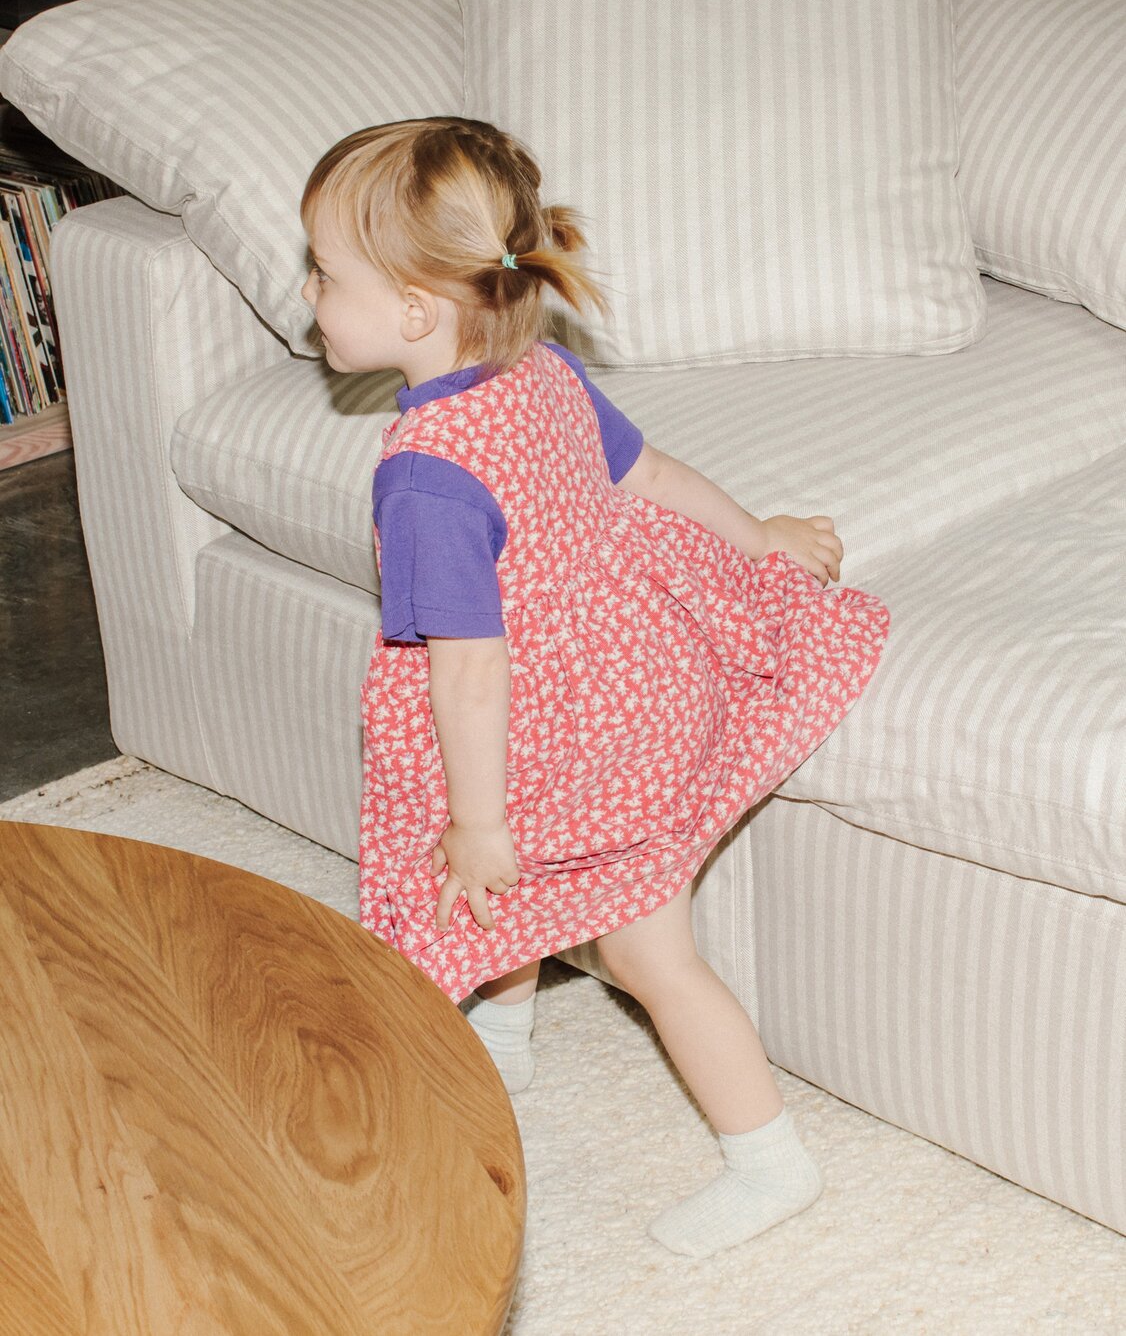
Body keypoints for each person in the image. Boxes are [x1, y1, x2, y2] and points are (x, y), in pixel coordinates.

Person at [300, 116, 891, 1259]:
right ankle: (508, 1043)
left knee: (633, 948)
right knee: (508, 890)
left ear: (416, 310)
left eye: (324, 272)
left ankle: (768, 1159)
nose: (309, 293)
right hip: (638, 683)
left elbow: (469, 672)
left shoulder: (425, 476)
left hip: (559, 735)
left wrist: (476, 822)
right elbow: (650, 474)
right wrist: (757, 533)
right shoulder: (538, 371)